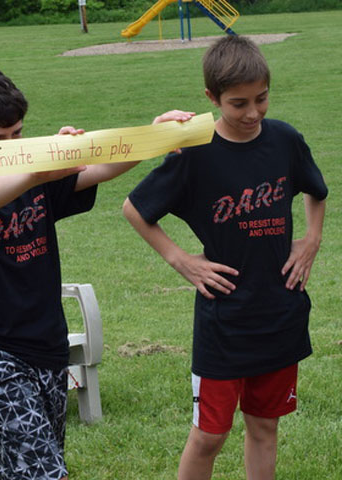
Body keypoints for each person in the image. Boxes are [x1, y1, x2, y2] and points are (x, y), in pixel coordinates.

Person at [0, 67, 193, 480]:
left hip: (48, 345)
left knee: (25, 470)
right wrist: (46, 162)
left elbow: (100, 169)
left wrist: (152, 136)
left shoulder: (38, 175)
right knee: (46, 474)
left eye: (19, 135)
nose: (12, 147)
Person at [122, 35, 327, 480]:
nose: (253, 113)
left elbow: (316, 190)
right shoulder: (194, 151)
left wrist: (311, 239)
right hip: (224, 321)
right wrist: (181, 260)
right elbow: (135, 209)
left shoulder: (284, 140)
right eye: (238, 104)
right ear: (211, 98)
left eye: (261, 99)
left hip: (279, 312)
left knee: (264, 427)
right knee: (209, 436)